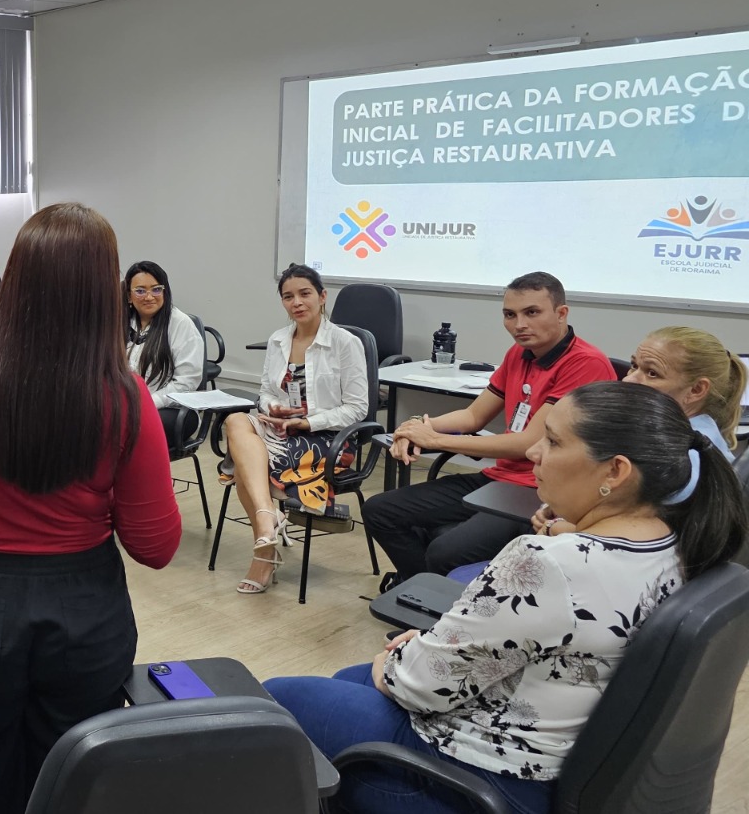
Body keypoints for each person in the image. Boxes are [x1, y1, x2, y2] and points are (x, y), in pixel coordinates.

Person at [263, 381, 748, 814]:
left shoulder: (549, 561)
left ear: (616, 471)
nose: (533, 452)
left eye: (554, 442)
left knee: (274, 703)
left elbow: (416, 684)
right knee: (348, 679)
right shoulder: (681, 543)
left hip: (481, 780)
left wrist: (398, 657)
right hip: (555, 765)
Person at [0, 203, 182, 814]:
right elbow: (155, 547)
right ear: (106, 290)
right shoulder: (127, 395)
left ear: (13, 277)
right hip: (83, 607)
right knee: (71, 782)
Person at [363, 272, 616, 585]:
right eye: (510, 315)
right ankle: (425, 594)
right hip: (498, 479)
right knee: (380, 510)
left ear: (561, 313)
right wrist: (415, 426)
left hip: (538, 490)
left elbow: (528, 442)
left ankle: (434, 602)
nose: (519, 324)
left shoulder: (585, 363)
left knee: (444, 552)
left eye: (532, 313)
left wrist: (436, 439)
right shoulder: (518, 354)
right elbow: (473, 416)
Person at [221, 264, 368, 594]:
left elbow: (357, 409)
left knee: (247, 465)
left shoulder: (346, 343)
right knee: (234, 420)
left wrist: (308, 421)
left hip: (326, 438)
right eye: (288, 297)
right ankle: (266, 522)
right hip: (282, 429)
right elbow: (266, 392)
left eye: (304, 294)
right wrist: (274, 408)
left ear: (322, 297)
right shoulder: (277, 340)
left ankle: (264, 552)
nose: (296, 302)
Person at [623, 325, 744, 456]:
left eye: (652, 373)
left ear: (696, 390)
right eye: (634, 365)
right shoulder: (676, 434)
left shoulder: (684, 456)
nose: (628, 379)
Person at [123, 261, 205, 447]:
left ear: (165, 292)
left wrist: (147, 403)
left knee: (129, 429)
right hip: (127, 405)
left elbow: (186, 382)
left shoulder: (180, 324)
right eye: (140, 291)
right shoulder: (121, 322)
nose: (149, 296)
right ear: (129, 296)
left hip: (172, 408)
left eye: (156, 289)